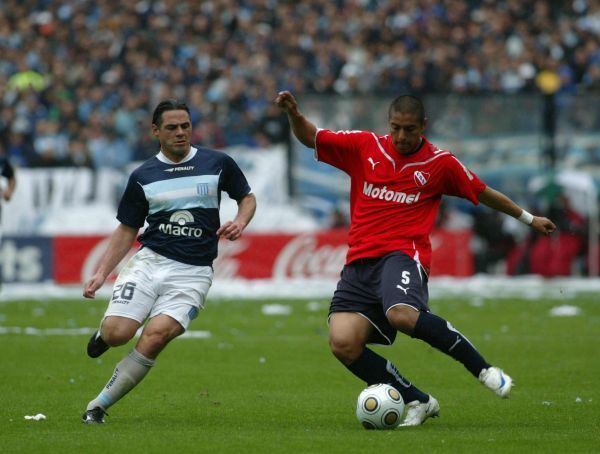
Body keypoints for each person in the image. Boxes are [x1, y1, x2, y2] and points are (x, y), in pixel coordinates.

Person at [275, 91, 556, 426]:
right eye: (395, 128)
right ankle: (417, 400)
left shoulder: (439, 163)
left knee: (402, 315)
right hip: (360, 263)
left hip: (403, 256)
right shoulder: (364, 147)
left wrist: (529, 218)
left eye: (409, 129)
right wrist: (293, 113)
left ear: (424, 126)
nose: (402, 136)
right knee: (342, 343)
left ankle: (483, 369)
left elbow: (482, 193)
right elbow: (312, 137)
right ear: (388, 124)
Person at [81, 100, 256, 424]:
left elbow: (246, 197)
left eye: (186, 126)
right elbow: (127, 228)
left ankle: (98, 406)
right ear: (155, 131)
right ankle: (104, 336)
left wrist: (241, 220)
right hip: (149, 262)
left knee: (156, 336)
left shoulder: (217, 162)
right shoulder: (142, 175)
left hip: (193, 273)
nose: (181, 133)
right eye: (172, 127)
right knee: (119, 333)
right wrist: (101, 273)